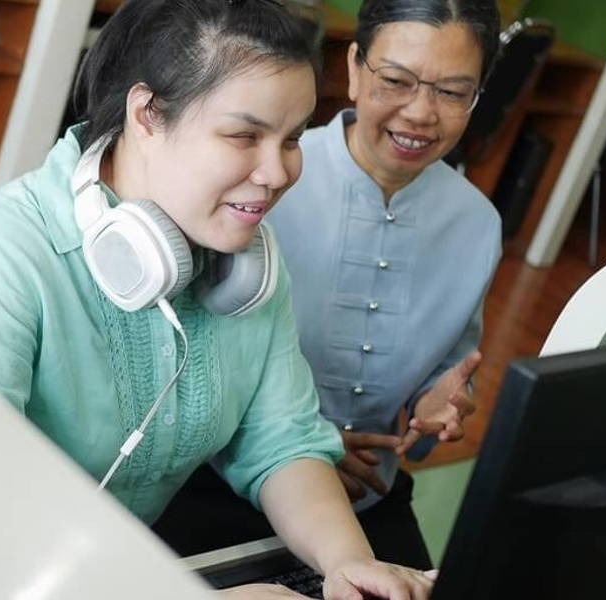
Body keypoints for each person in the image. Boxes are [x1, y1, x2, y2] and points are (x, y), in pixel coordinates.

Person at [0, 0, 435, 597]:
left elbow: (282, 442)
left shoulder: (246, 260)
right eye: (245, 135)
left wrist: (346, 562)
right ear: (146, 113)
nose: (277, 172)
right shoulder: (6, 252)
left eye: (292, 138)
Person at [152, 0, 502, 570]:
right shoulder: (262, 177)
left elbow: (449, 375)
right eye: (396, 80)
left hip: (367, 494)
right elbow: (177, 359)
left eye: (452, 92)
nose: (420, 112)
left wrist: (440, 401)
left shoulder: (478, 224)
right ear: (355, 66)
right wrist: (306, 450)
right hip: (217, 481)